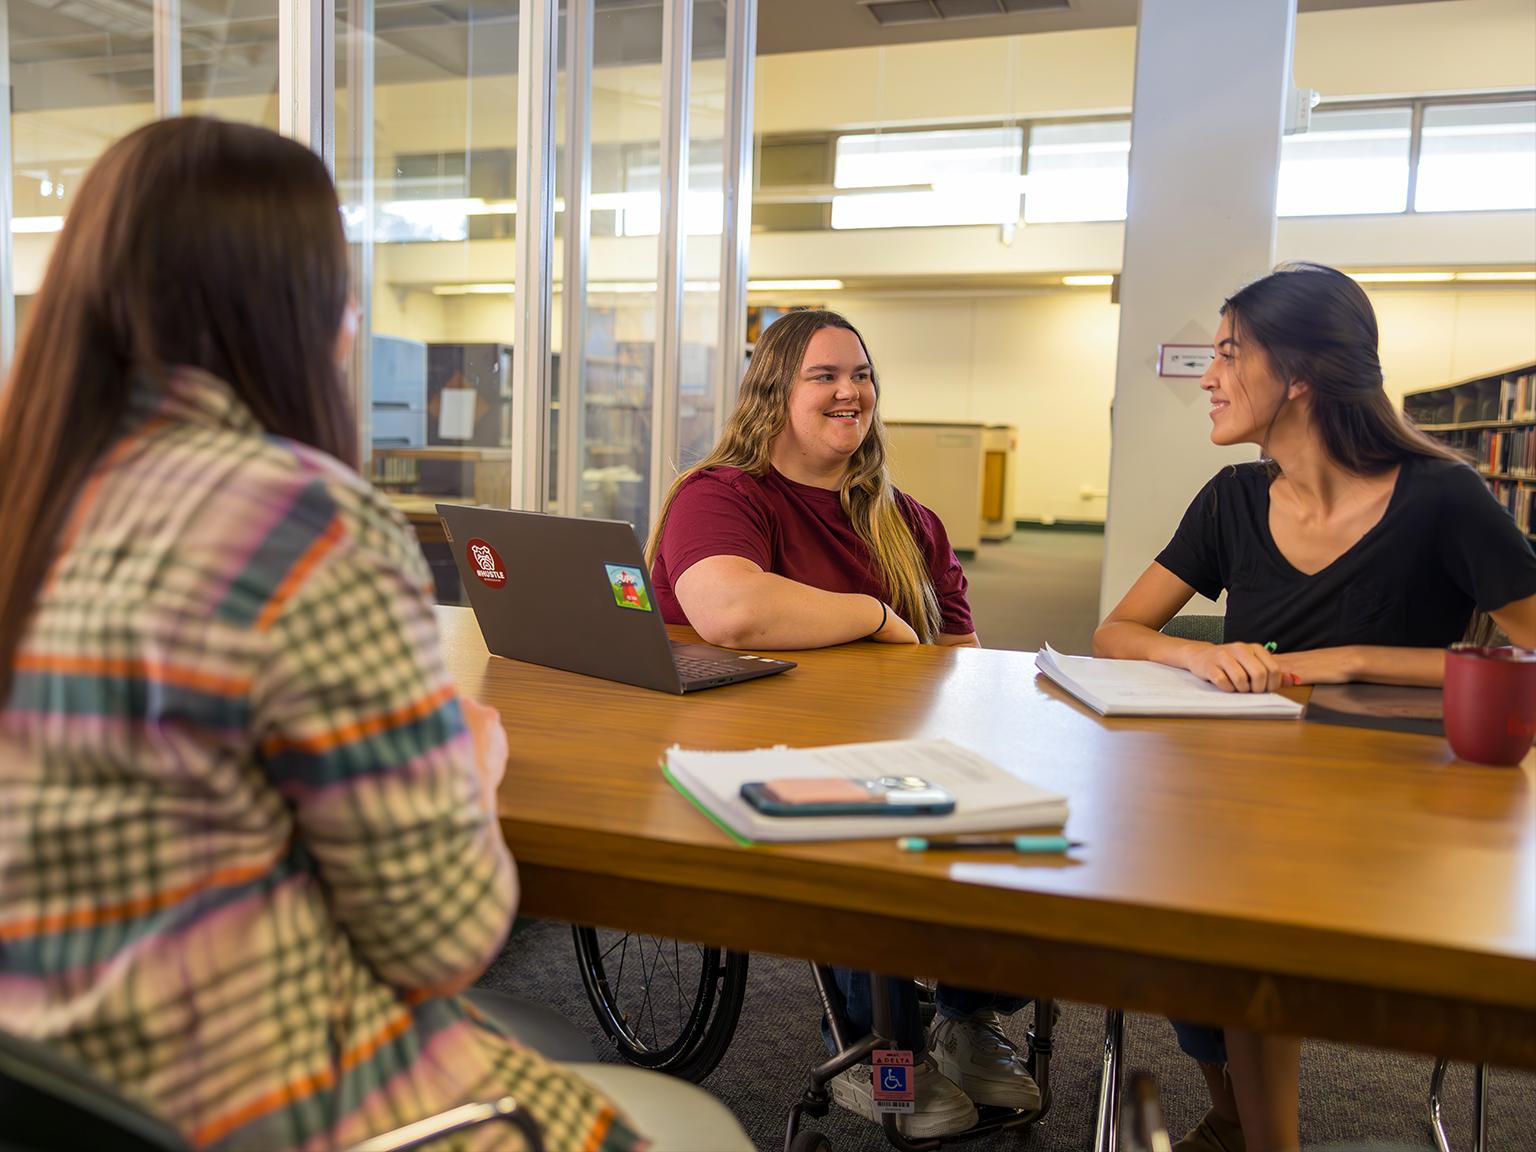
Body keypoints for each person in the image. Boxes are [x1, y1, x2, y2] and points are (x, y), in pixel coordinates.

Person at [0, 117, 742, 1152]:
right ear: (297, 312)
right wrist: (468, 764)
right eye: (342, 289)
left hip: (56, 1084)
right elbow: (441, 938)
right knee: (697, 1127)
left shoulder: (30, 501)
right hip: (251, 1097)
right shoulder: (300, 518)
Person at [1094, 262, 1536, 1152]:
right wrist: (1200, 650)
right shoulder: (1232, 501)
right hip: (1252, 798)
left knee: (1240, 917)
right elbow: (1119, 633)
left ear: (1300, 374)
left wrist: (1357, 658)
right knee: (1176, 889)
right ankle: (1235, 1117)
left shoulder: (1441, 497)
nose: (1209, 377)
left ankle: (1254, 1134)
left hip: (1400, 817)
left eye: (1229, 353)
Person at [648, 307, 1036, 1137]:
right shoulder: (721, 496)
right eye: (824, 376)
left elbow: (965, 660)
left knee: (1013, 822)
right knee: (871, 837)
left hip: (897, 747)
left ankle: (968, 1022)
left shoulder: (909, 522)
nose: (849, 392)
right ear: (773, 392)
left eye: (861, 376)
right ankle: (879, 1059)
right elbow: (731, 610)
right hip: (755, 757)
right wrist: (871, 614)